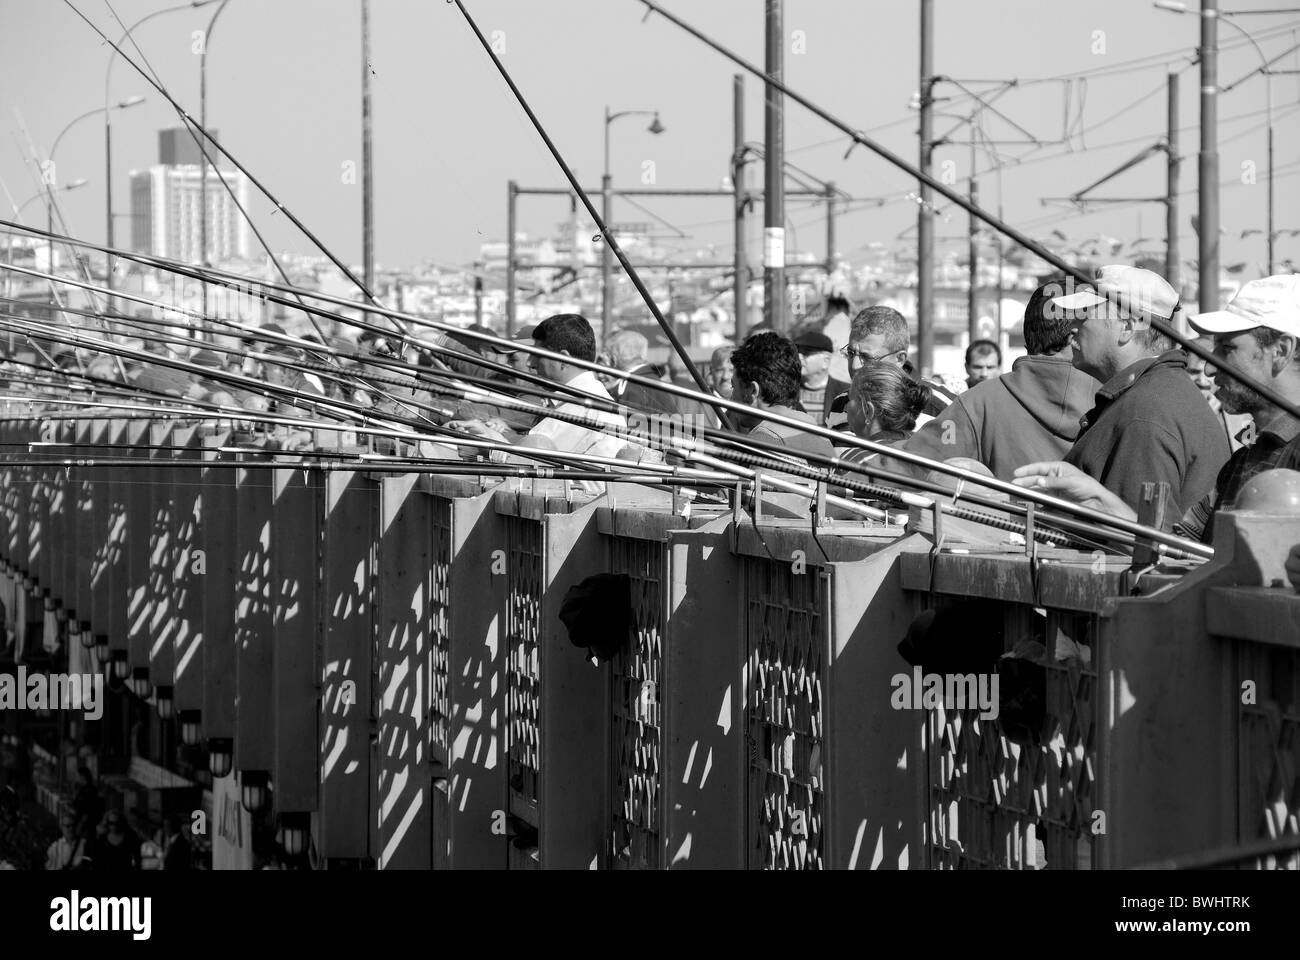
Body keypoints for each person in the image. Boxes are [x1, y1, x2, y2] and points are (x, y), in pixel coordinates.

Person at [1013, 265, 1237, 528]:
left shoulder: (1145, 411)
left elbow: (1137, 547)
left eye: (1085, 315)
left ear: (1128, 326)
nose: (1072, 327)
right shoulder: (1152, 395)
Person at [883, 281, 1100, 481]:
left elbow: (905, 466)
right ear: (1076, 337)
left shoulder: (978, 404)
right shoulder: (1124, 402)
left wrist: (854, 453)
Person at [452, 314, 627, 490]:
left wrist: (491, 449)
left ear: (563, 359)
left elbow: (546, 470)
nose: (530, 362)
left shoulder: (589, 407)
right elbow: (540, 458)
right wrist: (493, 438)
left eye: (537, 355)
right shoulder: (572, 401)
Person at [730, 331, 835, 463]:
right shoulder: (821, 436)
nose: (731, 398)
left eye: (734, 387)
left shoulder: (763, 444)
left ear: (752, 390)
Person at [839, 361, 932, 465]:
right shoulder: (928, 451)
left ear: (868, 411)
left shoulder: (856, 460)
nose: (846, 407)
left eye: (850, 399)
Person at [1186, 334, 1255, 453]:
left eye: (1208, 374)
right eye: (1194, 372)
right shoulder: (1179, 410)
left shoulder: (1242, 410)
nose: (1203, 381)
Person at [605, 330, 678, 416]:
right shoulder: (647, 380)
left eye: (609, 353)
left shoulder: (633, 386)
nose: (607, 358)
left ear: (616, 356)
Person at [794, 331, 849, 427]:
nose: (799, 357)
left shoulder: (845, 393)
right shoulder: (787, 389)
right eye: (797, 352)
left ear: (826, 360)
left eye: (806, 353)